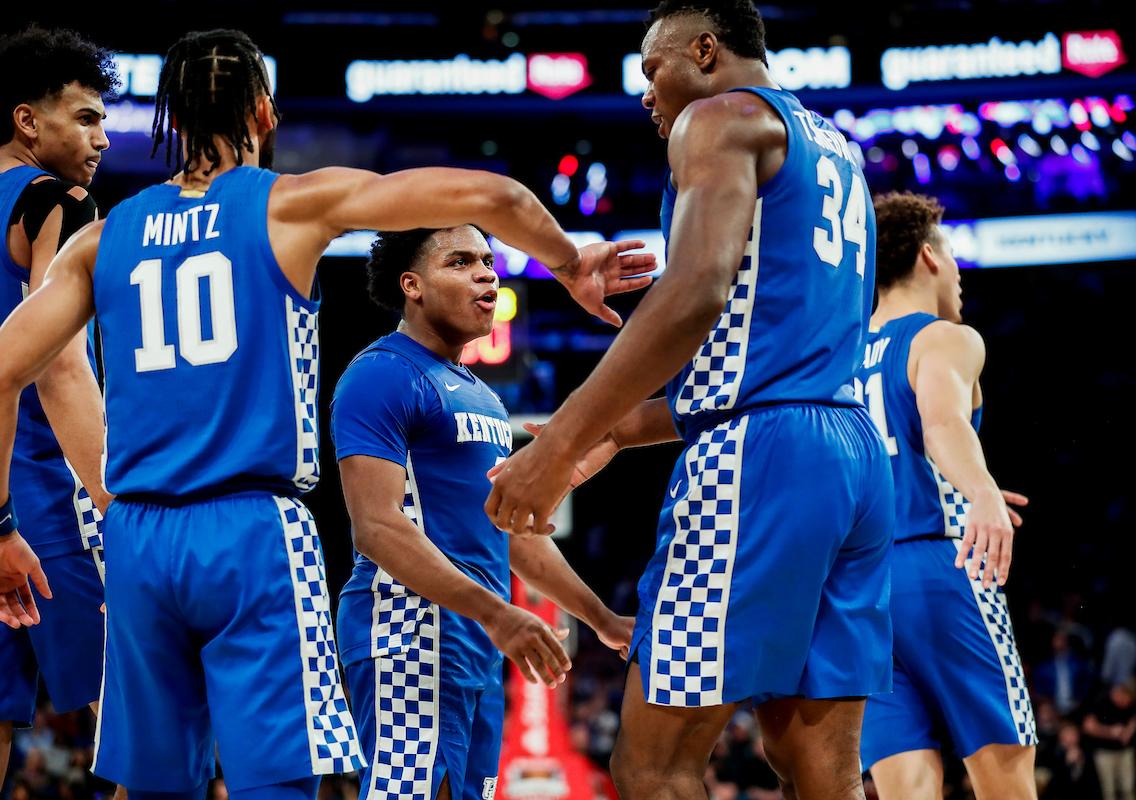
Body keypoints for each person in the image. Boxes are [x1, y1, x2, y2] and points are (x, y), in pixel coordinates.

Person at [0, 28, 653, 800]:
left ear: (171, 119)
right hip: (252, 530)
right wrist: (571, 262)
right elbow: (493, 196)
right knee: (284, 782)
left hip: (137, 536)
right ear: (263, 112)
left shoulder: (103, 239)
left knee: (153, 789)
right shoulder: (291, 206)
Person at [486, 2, 896, 798]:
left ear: (705, 50)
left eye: (652, 68)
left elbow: (694, 293)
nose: (646, 93)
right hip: (850, 453)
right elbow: (765, 359)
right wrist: (613, 436)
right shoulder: (834, 148)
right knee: (822, 770)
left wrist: (559, 442)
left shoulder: (717, 116)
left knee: (652, 766)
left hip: (762, 461)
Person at [331, 224, 637, 800]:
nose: (486, 273)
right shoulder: (381, 374)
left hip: (474, 639)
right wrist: (499, 614)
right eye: (461, 261)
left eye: (489, 260)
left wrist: (601, 620)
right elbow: (376, 527)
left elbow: (514, 533)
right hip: (407, 631)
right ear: (412, 285)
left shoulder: (484, 397)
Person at [852, 191, 1038, 799]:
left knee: (907, 790)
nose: (959, 273)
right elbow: (941, 421)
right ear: (930, 256)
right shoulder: (945, 338)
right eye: (955, 256)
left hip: (859, 590)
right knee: (1006, 780)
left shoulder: (838, 359)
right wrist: (979, 489)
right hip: (942, 567)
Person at [0, 26, 119, 800]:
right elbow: (61, 364)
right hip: (39, 481)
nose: (102, 137)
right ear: (29, 121)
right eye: (87, 118)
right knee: (134, 693)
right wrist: (112, 495)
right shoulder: (58, 199)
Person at [1083, 677, 1136, 800]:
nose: (1126, 704)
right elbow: (1088, 726)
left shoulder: (1131, 702)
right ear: (1118, 693)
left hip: (1125, 751)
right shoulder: (1101, 700)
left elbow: (1133, 718)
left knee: (1128, 788)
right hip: (1104, 752)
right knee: (1108, 790)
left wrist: (1128, 733)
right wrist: (1110, 732)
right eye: (1124, 700)